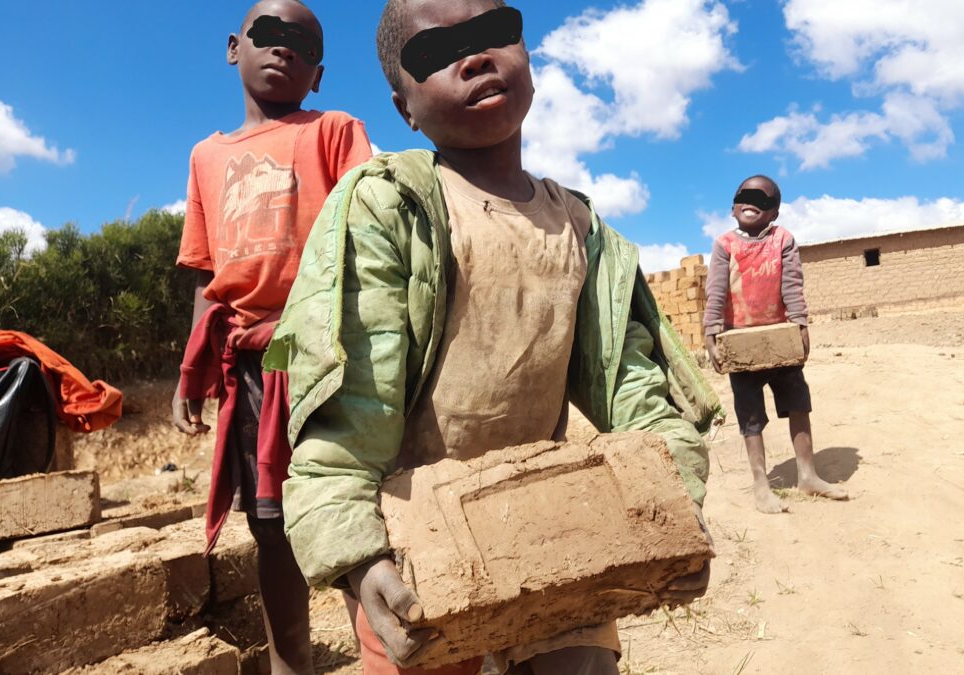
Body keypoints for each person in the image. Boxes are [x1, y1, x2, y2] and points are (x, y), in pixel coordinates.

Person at [263, 1, 722, 673]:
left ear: (527, 55)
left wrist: (675, 505)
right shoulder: (393, 206)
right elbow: (349, 411)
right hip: (420, 539)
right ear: (405, 109)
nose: (473, 57)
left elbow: (635, 388)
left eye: (491, 35)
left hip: (557, 522)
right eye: (435, 54)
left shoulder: (580, 228)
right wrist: (360, 558)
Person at [171, 1, 374, 672]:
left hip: (323, 346)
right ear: (234, 47)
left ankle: (384, 650)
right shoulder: (206, 155)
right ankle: (293, 660)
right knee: (270, 521)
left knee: (351, 503)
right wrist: (190, 372)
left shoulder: (335, 131)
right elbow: (208, 279)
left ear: (317, 74)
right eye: (268, 33)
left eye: (301, 42)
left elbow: (366, 237)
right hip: (252, 358)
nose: (282, 47)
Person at [703, 175, 848, 514]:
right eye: (745, 196)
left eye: (762, 198)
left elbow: (792, 285)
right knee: (750, 415)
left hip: (781, 338)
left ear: (774, 212)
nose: (751, 201)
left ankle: (808, 475)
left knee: (798, 401)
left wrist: (800, 325)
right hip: (740, 342)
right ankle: (760, 486)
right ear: (733, 205)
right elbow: (716, 291)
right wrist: (711, 334)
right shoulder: (725, 244)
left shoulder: (783, 239)